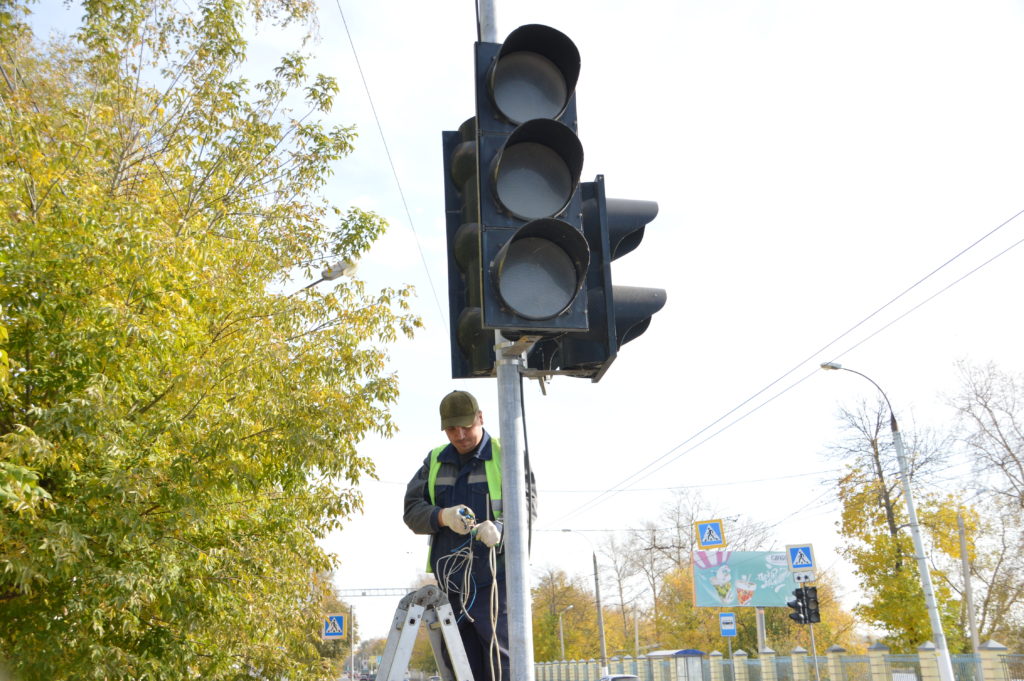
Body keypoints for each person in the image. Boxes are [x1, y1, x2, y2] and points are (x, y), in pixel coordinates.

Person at [403, 390, 536, 681]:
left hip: (496, 584)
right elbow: (412, 511)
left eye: (467, 426)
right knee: (460, 666)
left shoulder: (507, 454)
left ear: (480, 418)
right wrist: (443, 516)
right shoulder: (436, 460)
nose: (460, 435)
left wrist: (501, 529)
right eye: (452, 429)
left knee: (501, 664)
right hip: (451, 587)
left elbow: (527, 512)